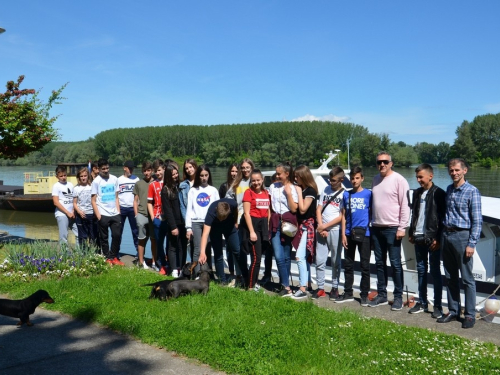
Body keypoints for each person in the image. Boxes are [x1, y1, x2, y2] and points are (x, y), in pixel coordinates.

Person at [438, 158, 482, 329]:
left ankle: (470, 315)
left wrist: (472, 244)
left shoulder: (472, 191)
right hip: (447, 235)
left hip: (463, 237)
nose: (454, 173)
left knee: (467, 279)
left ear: (465, 170)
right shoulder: (449, 189)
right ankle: (453, 310)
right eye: (451, 170)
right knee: (450, 277)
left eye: (457, 170)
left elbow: (477, 221)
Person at [370, 151, 410, 310]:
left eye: (385, 162)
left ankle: (398, 297)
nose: (382, 165)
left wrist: (402, 227)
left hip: (393, 228)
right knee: (379, 263)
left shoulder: (399, 180)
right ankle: (382, 295)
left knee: (395, 264)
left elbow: (405, 205)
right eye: (379, 162)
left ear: (391, 163)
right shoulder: (375, 179)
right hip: (377, 227)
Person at [408, 164, 446, 318]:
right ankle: (422, 301)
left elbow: (443, 218)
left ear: (431, 176)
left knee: (435, 272)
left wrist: (438, 238)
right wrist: (411, 232)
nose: (418, 180)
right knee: (421, 270)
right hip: (418, 237)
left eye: (421, 177)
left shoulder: (439, 193)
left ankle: (437, 305)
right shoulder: (416, 193)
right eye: (417, 177)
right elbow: (415, 214)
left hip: (432, 239)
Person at [336, 167, 371, 305]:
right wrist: (343, 234)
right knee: (349, 264)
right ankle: (348, 292)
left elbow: (372, 213)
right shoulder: (346, 194)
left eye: (357, 178)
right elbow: (343, 215)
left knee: (365, 265)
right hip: (349, 233)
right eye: (352, 178)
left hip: (365, 233)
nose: (354, 181)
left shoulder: (368, 194)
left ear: (362, 178)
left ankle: (364, 295)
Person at [313, 166, 344, 300]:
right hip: (322, 229)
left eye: (334, 181)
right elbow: (319, 209)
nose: (331, 183)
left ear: (341, 180)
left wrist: (325, 226)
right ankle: (320, 287)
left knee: (335, 261)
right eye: (330, 180)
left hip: (335, 230)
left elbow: (341, 216)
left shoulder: (344, 194)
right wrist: (321, 226)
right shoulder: (325, 190)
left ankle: (335, 287)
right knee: (320, 260)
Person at [198, 199, 247, 284]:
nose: (221, 219)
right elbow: (205, 234)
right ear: (216, 210)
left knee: (237, 250)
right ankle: (222, 281)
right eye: (220, 217)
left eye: (223, 217)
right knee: (218, 254)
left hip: (229, 226)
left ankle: (246, 277)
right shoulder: (211, 211)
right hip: (215, 228)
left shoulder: (233, 204)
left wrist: (235, 221)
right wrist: (202, 252)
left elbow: (236, 211)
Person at [269, 162, 298, 297]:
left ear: (287, 174)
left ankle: (283, 285)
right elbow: (270, 206)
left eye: (279, 173)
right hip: (275, 223)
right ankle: (287, 286)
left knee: (286, 257)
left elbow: (293, 209)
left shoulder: (293, 188)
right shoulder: (272, 186)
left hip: (288, 224)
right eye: (276, 173)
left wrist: (289, 194)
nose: (277, 175)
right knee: (279, 256)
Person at [226, 158, 255, 286]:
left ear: (251, 168)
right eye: (243, 168)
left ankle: (252, 277)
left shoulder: (255, 181)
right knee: (239, 250)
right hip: (239, 221)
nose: (245, 170)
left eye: (247, 167)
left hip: (254, 220)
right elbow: (228, 200)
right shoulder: (237, 183)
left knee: (254, 251)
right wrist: (233, 217)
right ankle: (239, 276)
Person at [185, 165, 220, 272]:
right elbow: (189, 210)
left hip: (209, 223)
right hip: (196, 222)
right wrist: (188, 228)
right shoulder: (193, 190)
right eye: (201, 175)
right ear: (198, 176)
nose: (204, 178)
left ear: (209, 176)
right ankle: (196, 273)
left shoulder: (213, 190)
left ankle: (207, 273)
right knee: (197, 249)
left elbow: (217, 208)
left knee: (207, 248)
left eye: (206, 175)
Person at [291, 165, 318, 299]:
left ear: (303, 176)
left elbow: (302, 210)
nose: (295, 179)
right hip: (302, 226)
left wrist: (298, 192)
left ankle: (302, 288)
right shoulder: (304, 190)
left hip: (308, 226)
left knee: (299, 257)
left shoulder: (310, 191)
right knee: (305, 258)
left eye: (297, 176)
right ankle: (307, 284)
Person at [242, 169, 270, 290]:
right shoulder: (248, 193)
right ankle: (250, 286)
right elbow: (246, 214)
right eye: (253, 180)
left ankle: (254, 282)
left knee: (259, 257)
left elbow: (268, 211)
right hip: (253, 226)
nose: (256, 182)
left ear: (262, 180)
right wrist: (252, 232)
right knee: (256, 258)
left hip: (263, 225)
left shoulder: (266, 192)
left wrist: (267, 226)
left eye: (258, 180)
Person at [91, 158, 123, 265]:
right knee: (104, 238)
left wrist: (118, 212)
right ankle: (107, 258)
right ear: (99, 169)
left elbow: (117, 197)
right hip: (103, 213)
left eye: (107, 168)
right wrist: (98, 215)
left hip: (115, 213)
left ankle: (113, 256)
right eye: (103, 169)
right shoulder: (96, 181)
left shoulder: (114, 179)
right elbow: (93, 200)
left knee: (117, 235)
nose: (106, 170)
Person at [162, 163, 187, 278]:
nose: (176, 176)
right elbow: (167, 210)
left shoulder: (180, 186)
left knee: (183, 246)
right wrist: (173, 227)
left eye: (177, 173)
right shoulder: (165, 190)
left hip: (183, 222)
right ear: (168, 175)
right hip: (173, 224)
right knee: (173, 247)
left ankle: (181, 267)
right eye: (173, 174)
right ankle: (173, 269)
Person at [133, 161, 157, 270]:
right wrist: (136, 214)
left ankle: (154, 262)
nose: (146, 173)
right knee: (141, 239)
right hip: (142, 214)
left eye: (148, 170)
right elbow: (135, 200)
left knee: (153, 239)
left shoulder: (156, 182)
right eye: (144, 171)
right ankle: (141, 262)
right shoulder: (139, 183)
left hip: (153, 215)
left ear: (152, 170)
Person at [148, 160, 168, 274]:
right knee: (159, 242)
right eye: (156, 171)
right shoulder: (152, 185)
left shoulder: (169, 183)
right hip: (157, 217)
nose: (158, 173)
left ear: (164, 169)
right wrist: (152, 217)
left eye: (159, 170)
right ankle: (162, 265)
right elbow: (149, 202)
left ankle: (171, 264)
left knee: (170, 243)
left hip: (169, 218)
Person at [219, 163, 239, 276]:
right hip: (227, 222)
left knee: (238, 249)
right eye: (232, 171)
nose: (234, 173)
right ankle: (231, 272)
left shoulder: (241, 186)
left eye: (236, 171)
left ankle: (240, 273)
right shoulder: (224, 186)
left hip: (239, 222)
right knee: (229, 249)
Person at [118, 160, 139, 256]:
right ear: (124, 168)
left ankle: (139, 253)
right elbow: (116, 196)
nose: (130, 170)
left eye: (132, 168)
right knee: (118, 231)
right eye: (129, 168)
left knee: (136, 231)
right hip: (121, 208)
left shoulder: (136, 179)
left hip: (132, 208)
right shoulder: (119, 180)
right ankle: (116, 252)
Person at [52, 166, 78, 245]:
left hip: (72, 213)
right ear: (57, 176)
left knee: (78, 233)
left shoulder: (70, 184)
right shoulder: (56, 186)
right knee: (64, 236)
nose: (63, 177)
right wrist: (67, 212)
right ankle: (65, 255)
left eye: (64, 175)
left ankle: (80, 254)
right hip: (62, 214)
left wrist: (73, 211)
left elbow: (74, 199)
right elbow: (56, 202)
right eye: (61, 176)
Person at [179, 158, 198, 263]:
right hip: (188, 219)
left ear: (195, 166)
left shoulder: (202, 181)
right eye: (186, 168)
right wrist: (187, 223)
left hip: (200, 218)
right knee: (189, 246)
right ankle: (189, 269)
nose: (189, 170)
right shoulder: (183, 185)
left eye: (190, 167)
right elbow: (182, 205)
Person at [73, 167, 96, 248]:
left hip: (91, 214)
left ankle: (93, 253)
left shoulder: (92, 186)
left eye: (85, 176)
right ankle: (83, 253)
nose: (83, 178)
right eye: (81, 176)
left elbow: (95, 200)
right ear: (79, 177)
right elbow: (75, 203)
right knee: (82, 237)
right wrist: (79, 212)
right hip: (81, 215)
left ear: (88, 176)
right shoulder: (76, 188)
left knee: (92, 236)